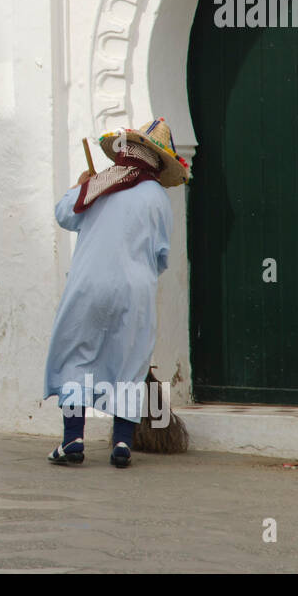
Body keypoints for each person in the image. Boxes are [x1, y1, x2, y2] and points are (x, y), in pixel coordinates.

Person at [44, 117, 190, 468]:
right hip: (135, 289)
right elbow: (161, 254)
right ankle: (123, 444)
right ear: (156, 161)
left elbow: (64, 215)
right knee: (131, 362)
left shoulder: (100, 184)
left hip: (88, 284)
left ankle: (72, 440)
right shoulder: (157, 195)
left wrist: (82, 184)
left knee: (75, 358)